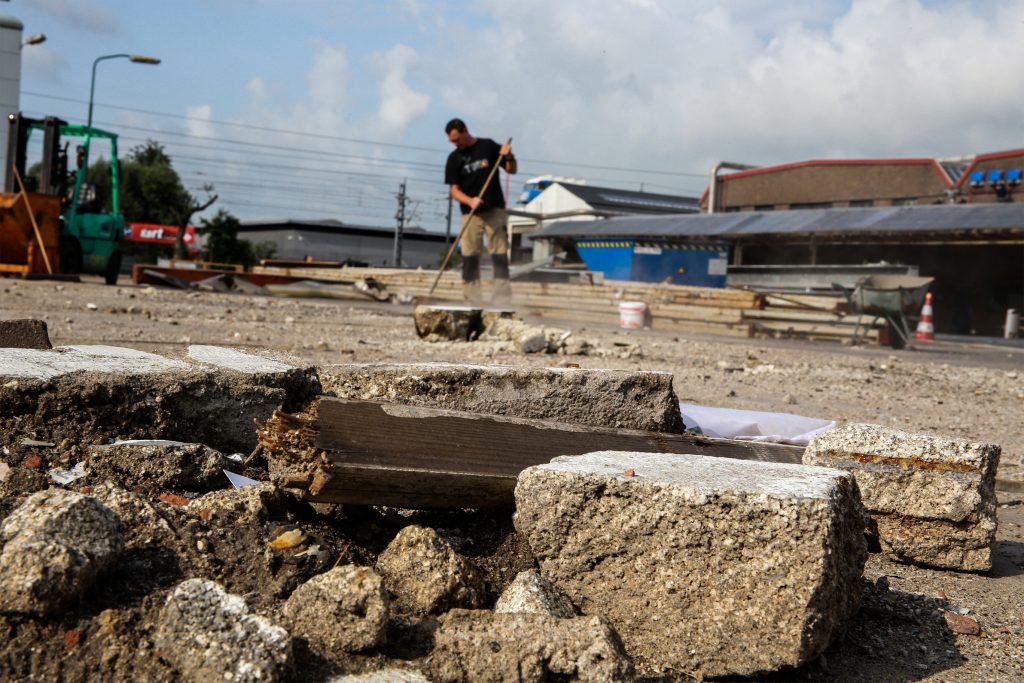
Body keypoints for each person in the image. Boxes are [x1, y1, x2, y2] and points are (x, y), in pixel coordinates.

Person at [444, 118, 517, 305]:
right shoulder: (454, 158)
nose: (455, 144)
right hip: (471, 214)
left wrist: (508, 156)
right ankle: (473, 300)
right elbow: (454, 191)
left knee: (499, 254)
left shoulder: (488, 146)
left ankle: (502, 298)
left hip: (494, 210)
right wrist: (470, 200)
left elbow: (511, 170)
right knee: (470, 256)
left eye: (457, 139)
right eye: (452, 141)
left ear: (465, 131)